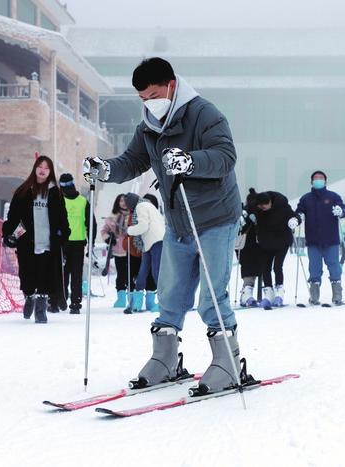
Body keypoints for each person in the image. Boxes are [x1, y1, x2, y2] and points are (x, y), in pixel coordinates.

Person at [83, 57, 244, 395]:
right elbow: (132, 162)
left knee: (212, 295)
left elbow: (225, 156)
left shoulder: (205, 114)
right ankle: (166, 360)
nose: (149, 104)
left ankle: (229, 363)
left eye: (153, 95)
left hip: (215, 217)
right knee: (170, 294)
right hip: (179, 221)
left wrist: (190, 161)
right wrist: (106, 170)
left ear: (171, 85)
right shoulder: (149, 127)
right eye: (142, 98)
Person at [2, 156, 70, 323]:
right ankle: (29, 297)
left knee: (45, 276)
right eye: (40, 166)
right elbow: (13, 216)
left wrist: (63, 234)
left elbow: (62, 217)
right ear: (35, 168)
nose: (43, 170)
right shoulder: (23, 190)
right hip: (27, 242)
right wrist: (8, 233)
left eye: (46, 168)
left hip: (48, 242)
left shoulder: (56, 192)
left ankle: (41, 308)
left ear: (50, 171)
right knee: (26, 275)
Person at [296, 170, 345, 306]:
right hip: (313, 240)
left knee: (334, 266)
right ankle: (314, 296)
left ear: (325, 181)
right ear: (311, 181)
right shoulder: (306, 198)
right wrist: (297, 218)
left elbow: (343, 208)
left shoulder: (333, 196)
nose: (318, 180)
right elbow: (299, 211)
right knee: (314, 268)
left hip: (331, 240)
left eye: (321, 178)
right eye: (316, 178)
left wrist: (341, 211)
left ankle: (337, 295)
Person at [57, 173, 96, 314]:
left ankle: (67, 301)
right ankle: (72, 303)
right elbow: (92, 224)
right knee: (72, 274)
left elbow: (91, 223)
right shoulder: (82, 201)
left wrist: (91, 242)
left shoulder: (80, 201)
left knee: (65, 274)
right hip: (70, 244)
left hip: (71, 244)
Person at [255, 190, 300, 308]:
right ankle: (268, 294)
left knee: (277, 266)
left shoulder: (282, 205)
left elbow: (294, 215)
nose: (263, 207)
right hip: (265, 242)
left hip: (282, 241)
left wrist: (295, 221)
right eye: (261, 206)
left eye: (265, 205)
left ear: (270, 202)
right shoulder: (258, 208)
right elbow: (248, 208)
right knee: (265, 268)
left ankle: (279, 293)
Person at [125, 193, 165, 313]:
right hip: (150, 241)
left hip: (155, 240)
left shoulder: (141, 206)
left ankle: (164, 303)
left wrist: (129, 230)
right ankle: (135, 302)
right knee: (143, 270)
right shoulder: (148, 204)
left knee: (156, 272)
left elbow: (143, 226)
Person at [100, 194, 140, 309]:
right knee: (121, 274)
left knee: (131, 274)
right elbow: (104, 231)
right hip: (118, 249)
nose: (123, 203)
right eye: (120, 200)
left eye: (125, 201)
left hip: (131, 249)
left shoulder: (134, 215)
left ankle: (132, 297)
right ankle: (121, 297)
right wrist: (108, 238)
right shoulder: (112, 217)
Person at [237, 189, 266, 307]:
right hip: (249, 247)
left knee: (252, 268)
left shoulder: (247, 212)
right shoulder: (244, 213)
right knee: (252, 268)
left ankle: (247, 293)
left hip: (250, 248)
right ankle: (246, 294)